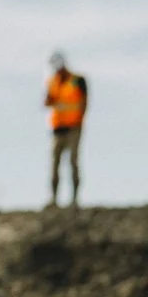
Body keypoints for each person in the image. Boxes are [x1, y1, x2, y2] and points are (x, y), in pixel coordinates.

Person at [44, 52, 87, 206]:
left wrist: (80, 121)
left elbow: (84, 103)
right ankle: (54, 199)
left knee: (73, 162)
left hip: (73, 128)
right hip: (57, 129)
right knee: (55, 163)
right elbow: (47, 102)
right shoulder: (52, 82)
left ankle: (74, 199)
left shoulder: (77, 80)